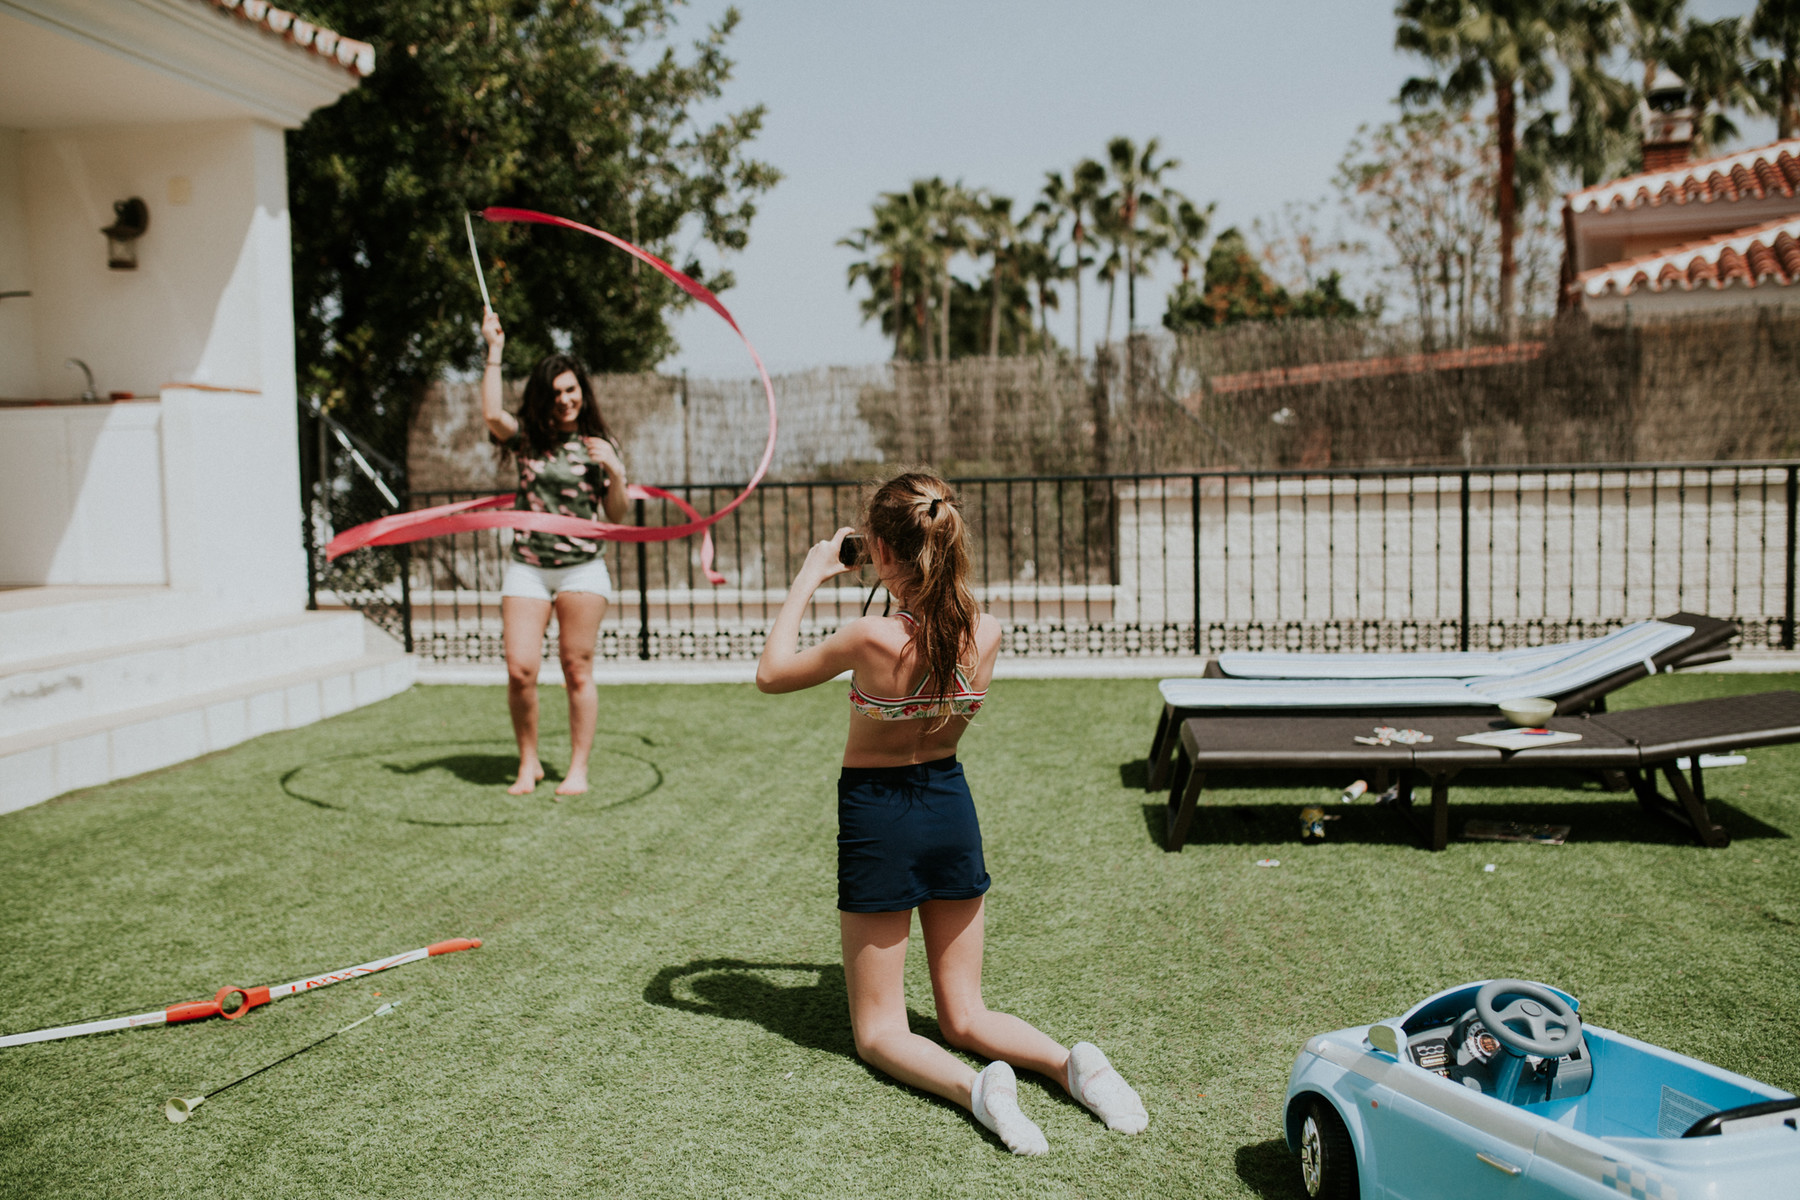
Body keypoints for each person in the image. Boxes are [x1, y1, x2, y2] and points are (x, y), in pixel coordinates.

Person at [755, 470, 1148, 1155]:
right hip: (949, 809)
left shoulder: (869, 640)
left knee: (879, 1033)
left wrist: (812, 574)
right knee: (966, 1014)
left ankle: (978, 1090)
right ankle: (1073, 1064)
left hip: (880, 817)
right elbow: (935, 612)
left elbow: (770, 672)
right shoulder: (985, 632)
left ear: (879, 548)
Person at [480, 307, 629, 797]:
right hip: (529, 567)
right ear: (544, 398)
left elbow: (618, 515)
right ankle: (529, 764)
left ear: (582, 392)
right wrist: (495, 351)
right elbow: (490, 415)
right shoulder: (529, 440)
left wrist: (616, 473)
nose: (566, 400)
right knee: (520, 669)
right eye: (557, 392)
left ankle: (578, 768)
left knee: (575, 668)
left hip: (581, 569)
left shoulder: (596, 446)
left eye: (572, 390)